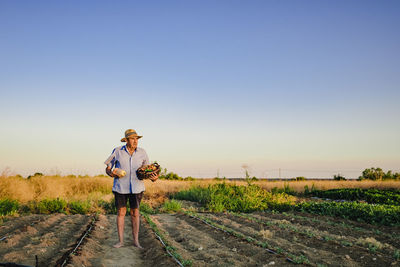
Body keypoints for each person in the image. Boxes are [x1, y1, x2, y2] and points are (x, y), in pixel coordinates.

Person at [104, 129, 158, 248]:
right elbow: (108, 168)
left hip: (137, 188)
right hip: (120, 187)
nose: (135, 141)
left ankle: (136, 242)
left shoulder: (142, 152)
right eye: (133, 139)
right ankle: (121, 241)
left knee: (135, 213)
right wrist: (111, 173)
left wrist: (153, 177)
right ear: (126, 140)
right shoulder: (117, 151)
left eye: (137, 139)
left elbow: (147, 170)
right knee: (121, 213)